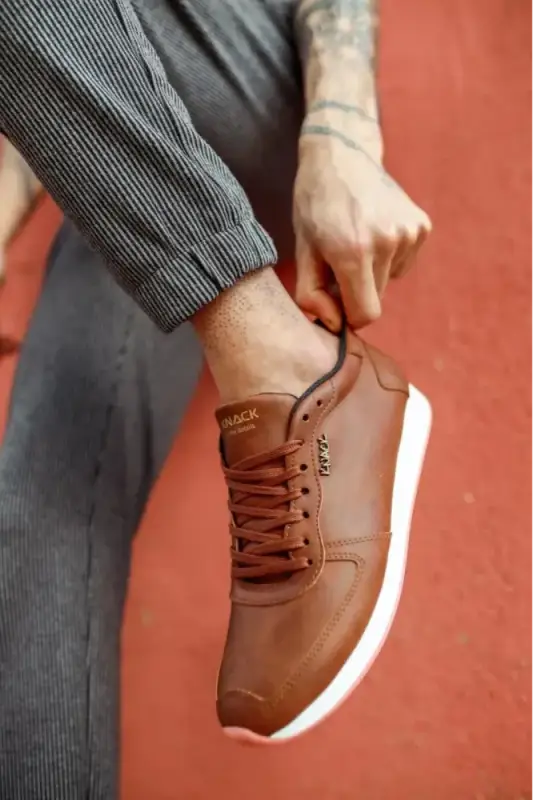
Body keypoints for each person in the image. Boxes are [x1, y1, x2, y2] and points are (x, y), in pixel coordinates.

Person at [0, 0, 432, 796]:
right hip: (130, 164)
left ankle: (283, 363)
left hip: (257, 77)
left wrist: (341, 128)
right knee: (35, 507)